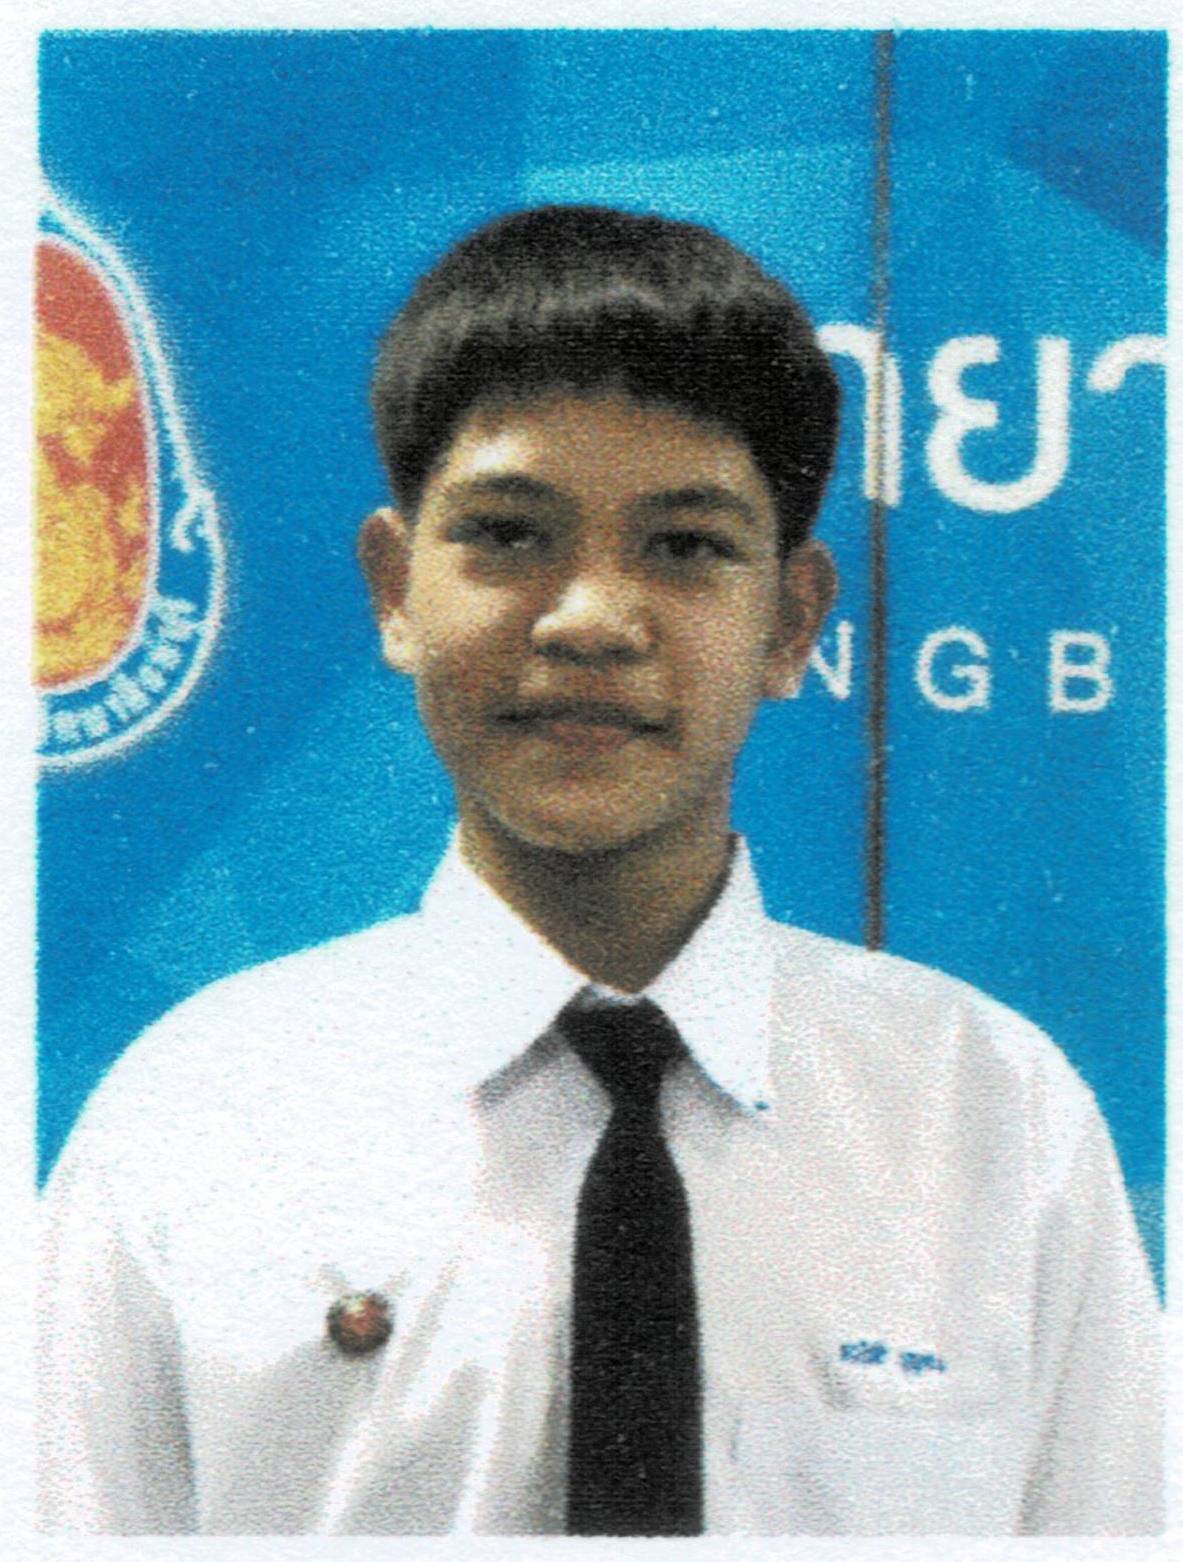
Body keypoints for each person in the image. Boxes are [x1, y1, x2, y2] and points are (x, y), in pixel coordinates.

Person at [39, 205, 1161, 1536]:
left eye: (686, 546)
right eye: (510, 534)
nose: (589, 620)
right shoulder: (195, 1119)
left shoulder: (994, 1121)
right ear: (395, 590)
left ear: (792, 619)